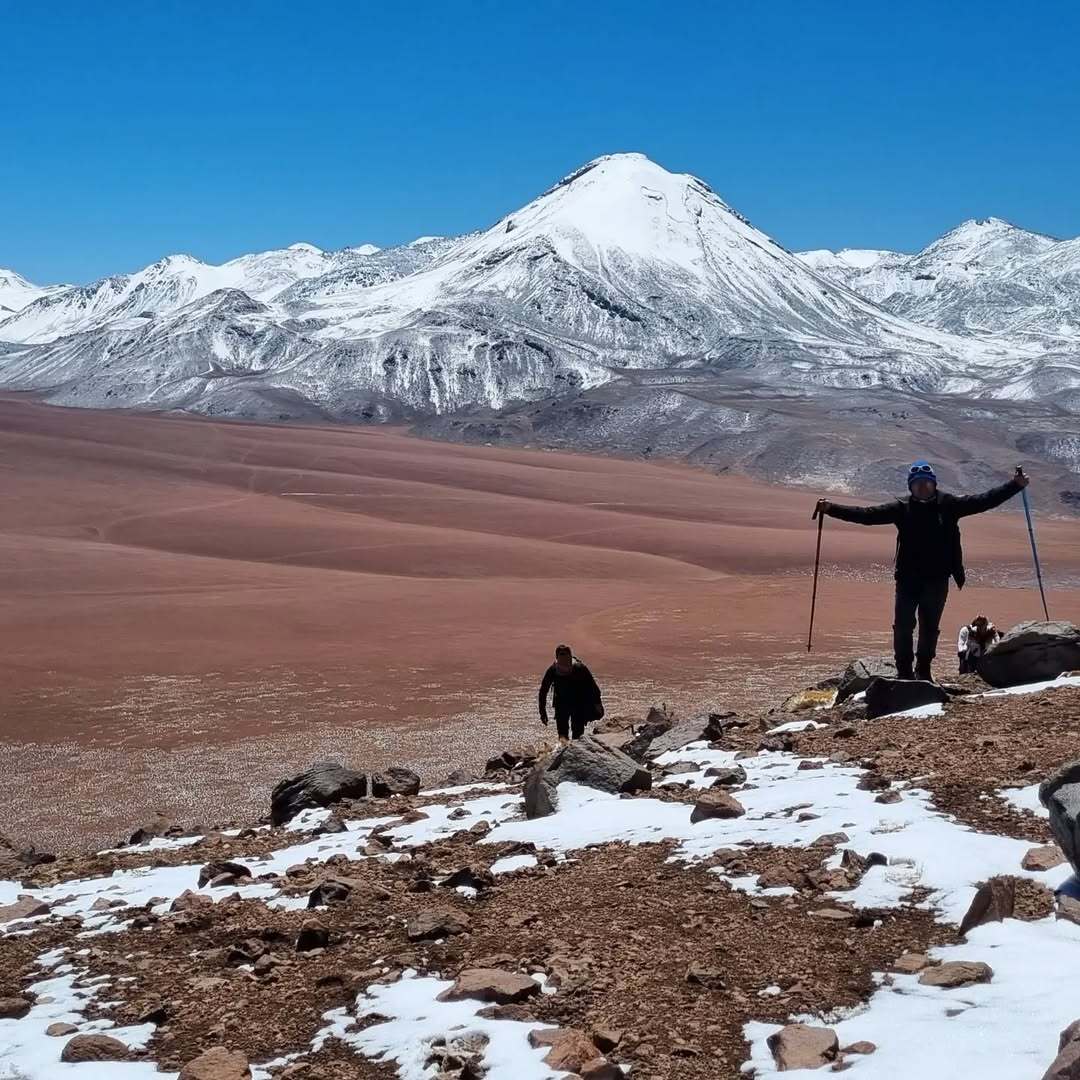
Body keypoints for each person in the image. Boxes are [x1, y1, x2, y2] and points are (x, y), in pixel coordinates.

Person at [815, 462, 1028, 682]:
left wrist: (1015, 485)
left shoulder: (949, 505)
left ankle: (924, 670)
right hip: (907, 580)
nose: (922, 488)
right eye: (917, 484)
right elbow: (866, 515)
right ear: (911, 487)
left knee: (929, 628)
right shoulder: (901, 508)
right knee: (903, 626)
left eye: (926, 483)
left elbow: (984, 500)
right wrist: (832, 509)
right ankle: (904, 672)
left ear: (934, 484)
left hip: (937, 580)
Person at [538, 644, 604, 742]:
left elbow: (593, 688)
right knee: (563, 734)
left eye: (565, 656)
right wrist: (542, 712)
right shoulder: (553, 670)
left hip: (578, 705)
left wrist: (598, 704)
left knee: (576, 734)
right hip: (561, 705)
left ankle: (573, 752)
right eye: (561, 656)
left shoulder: (579, 668)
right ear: (557, 658)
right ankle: (566, 751)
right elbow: (543, 691)